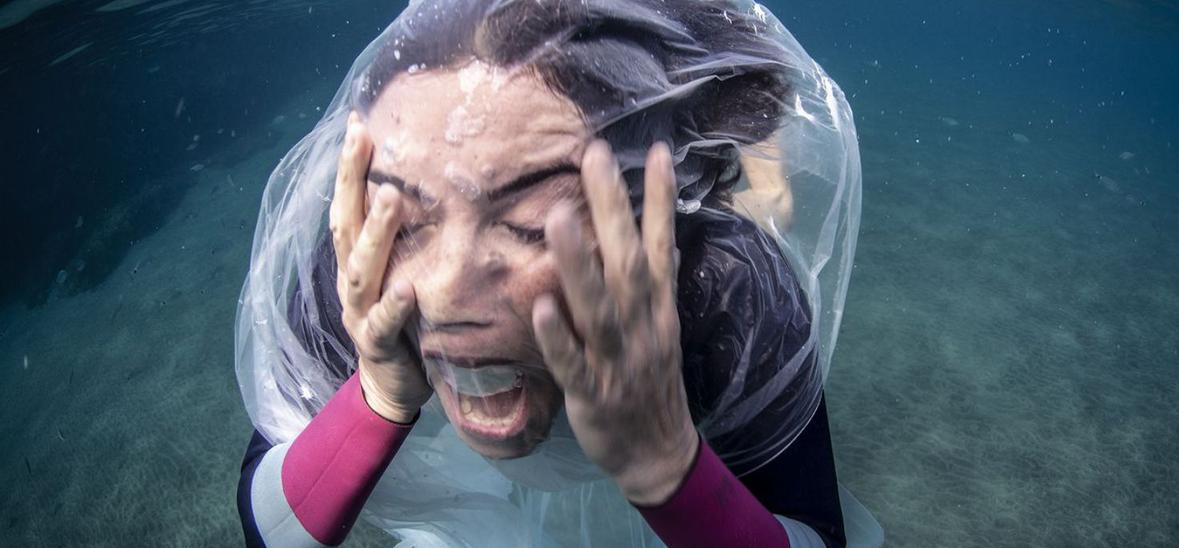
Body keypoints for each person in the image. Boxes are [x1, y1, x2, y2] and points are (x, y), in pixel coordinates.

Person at [233, 1, 879, 546]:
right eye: (407, 213)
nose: (448, 295)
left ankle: (754, 162)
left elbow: (815, 530)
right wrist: (380, 394)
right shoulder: (366, 264)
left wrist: (666, 467)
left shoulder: (720, 288)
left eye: (532, 224)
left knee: (768, 201)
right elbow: (268, 525)